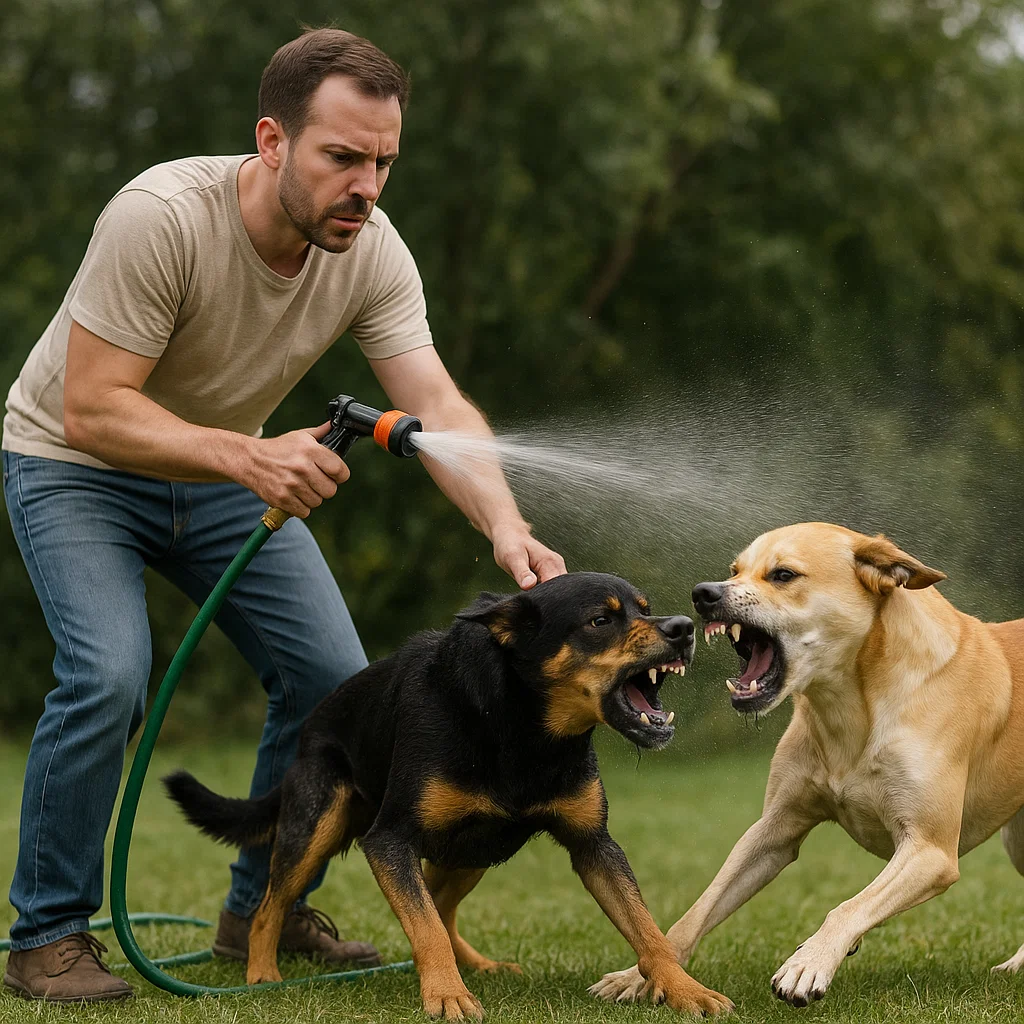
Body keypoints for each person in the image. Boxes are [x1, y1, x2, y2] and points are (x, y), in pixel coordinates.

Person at [1, 27, 566, 1003]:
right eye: (342, 156)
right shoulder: (161, 217)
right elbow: (92, 407)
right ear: (271, 141)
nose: (368, 184)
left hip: (223, 473)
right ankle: (47, 933)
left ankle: (260, 908)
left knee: (328, 678)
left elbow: (438, 405)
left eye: (384, 160)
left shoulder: (370, 251)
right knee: (108, 671)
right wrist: (251, 455)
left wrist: (503, 525)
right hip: (73, 466)